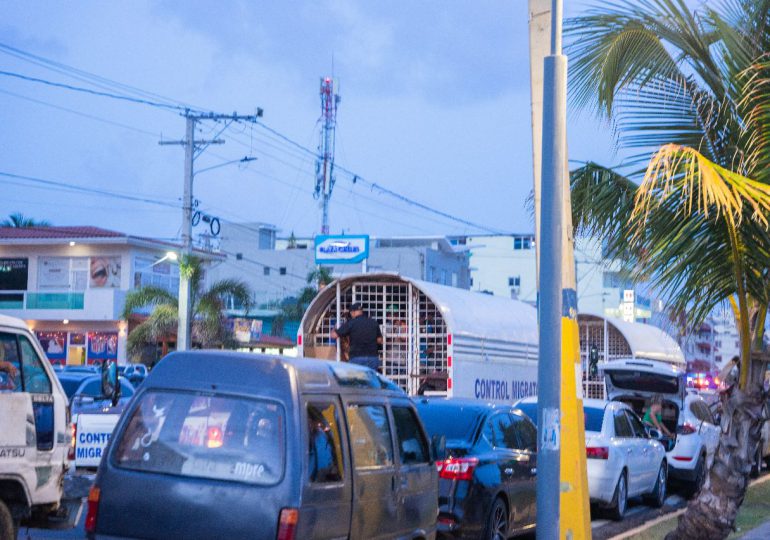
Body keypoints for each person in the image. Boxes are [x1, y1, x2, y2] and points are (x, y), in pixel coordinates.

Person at [331, 303, 383, 371]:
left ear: (353, 312)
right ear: (361, 311)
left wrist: (334, 328)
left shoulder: (351, 323)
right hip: (372, 358)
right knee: (369, 380)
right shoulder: (373, 322)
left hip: (357, 358)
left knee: (356, 380)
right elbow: (380, 340)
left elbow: (334, 335)